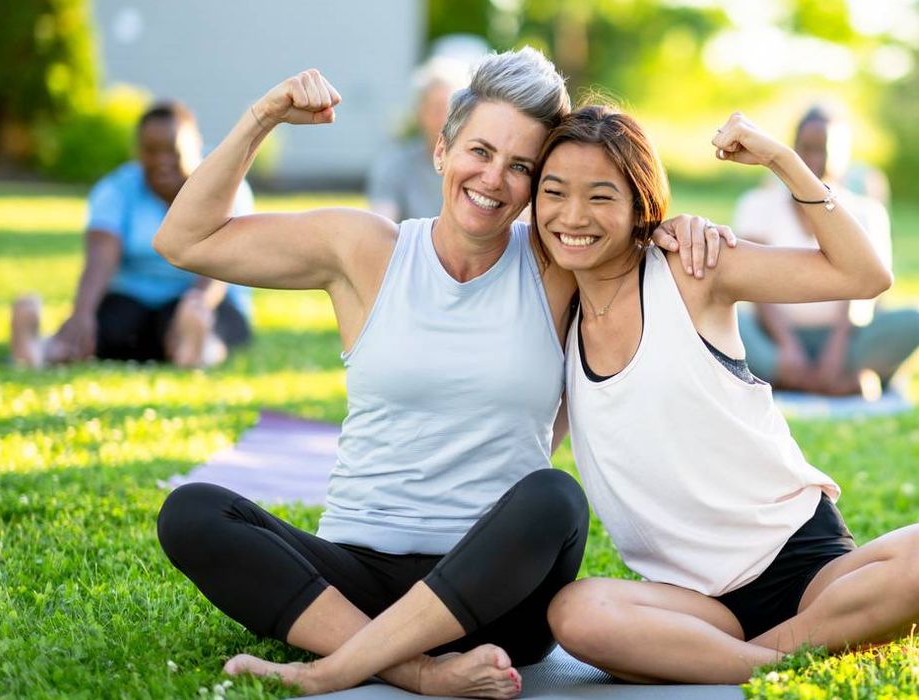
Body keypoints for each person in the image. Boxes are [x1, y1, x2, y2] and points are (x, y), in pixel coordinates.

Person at [152, 49, 727, 699]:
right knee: (191, 512)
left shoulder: (558, 263)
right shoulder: (365, 250)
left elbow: (631, 217)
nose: (493, 179)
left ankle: (337, 665)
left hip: (499, 597)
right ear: (441, 152)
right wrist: (263, 117)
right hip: (356, 580)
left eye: (520, 168)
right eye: (479, 152)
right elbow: (185, 240)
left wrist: (684, 228)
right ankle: (418, 671)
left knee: (555, 498)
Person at [533, 106, 919, 684]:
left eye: (600, 197)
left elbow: (865, 276)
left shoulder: (691, 270)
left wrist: (781, 160)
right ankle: (792, 658)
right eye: (554, 192)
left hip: (804, 564)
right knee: (576, 613)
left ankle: (745, 662)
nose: (573, 216)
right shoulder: (552, 318)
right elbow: (528, 444)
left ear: (642, 206)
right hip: (694, 604)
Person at [10, 102, 255, 369]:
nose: (162, 162)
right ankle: (39, 348)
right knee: (104, 329)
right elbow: (101, 257)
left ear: (196, 146)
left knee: (205, 322)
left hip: (203, 297)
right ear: (137, 152)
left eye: (173, 151)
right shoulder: (118, 189)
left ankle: (198, 348)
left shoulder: (226, 184)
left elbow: (221, 261)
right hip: (134, 299)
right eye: (151, 151)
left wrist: (197, 303)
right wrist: (82, 313)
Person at [733, 107, 919, 396]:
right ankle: (827, 381)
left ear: (844, 155)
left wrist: (836, 350)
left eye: (824, 149)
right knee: (721, 316)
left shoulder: (866, 212)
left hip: (845, 340)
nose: (814, 159)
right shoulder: (758, 204)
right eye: (806, 148)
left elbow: (866, 290)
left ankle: (797, 379)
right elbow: (751, 282)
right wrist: (787, 345)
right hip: (774, 340)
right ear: (792, 150)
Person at [367, 57, 470, 221]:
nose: (444, 120)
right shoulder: (395, 163)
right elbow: (381, 222)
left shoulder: (477, 168)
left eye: (450, 111)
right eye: (436, 109)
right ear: (419, 112)